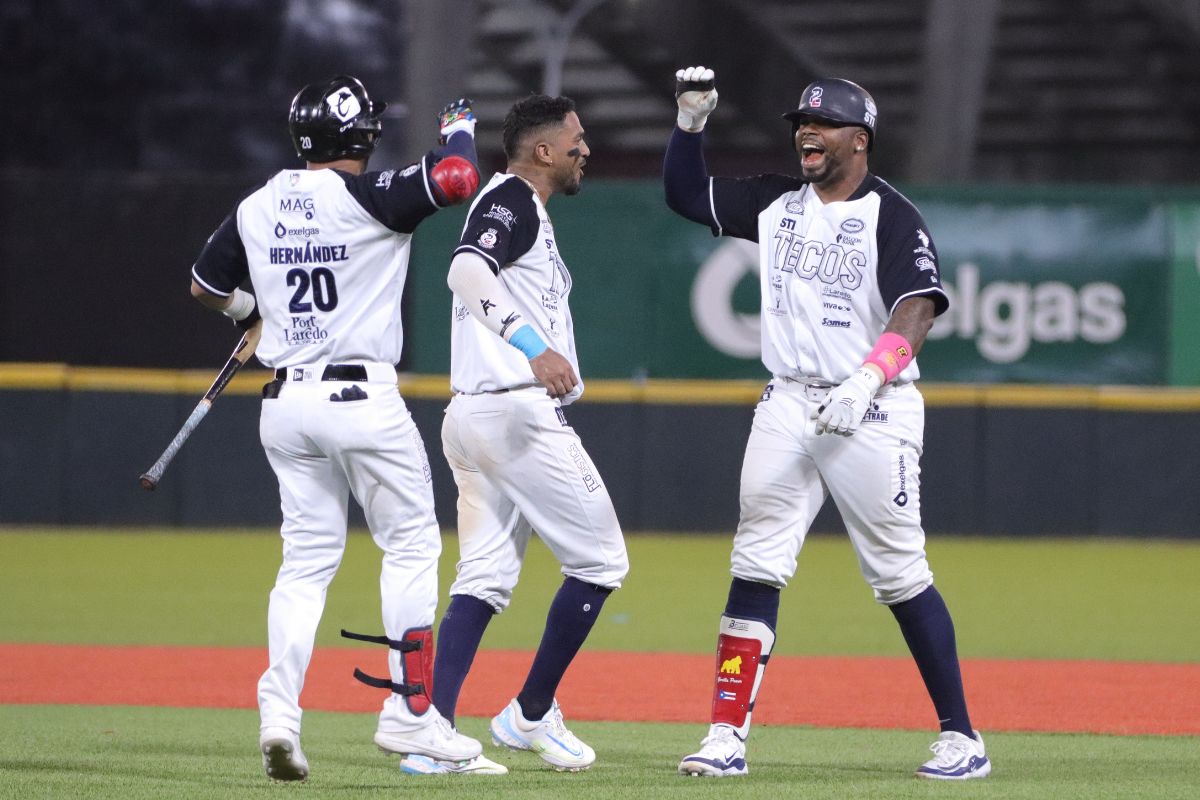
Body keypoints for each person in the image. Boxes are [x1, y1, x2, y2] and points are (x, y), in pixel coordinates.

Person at [663, 66, 991, 781]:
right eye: (800, 124)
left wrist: (869, 376)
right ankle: (725, 735)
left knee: (899, 574)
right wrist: (690, 124)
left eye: (823, 124)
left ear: (860, 139)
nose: (806, 133)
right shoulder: (777, 202)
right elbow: (686, 194)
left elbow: (918, 308)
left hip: (873, 406)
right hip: (788, 403)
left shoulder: (892, 215)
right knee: (754, 563)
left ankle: (961, 736)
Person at [188, 75, 486, 782]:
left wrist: (247, 312)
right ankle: (411, 716)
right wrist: (461, 125)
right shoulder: (371, 197)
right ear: (363, 134)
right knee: (411, 544)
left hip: (285, 404)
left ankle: (280, 714)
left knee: (304, 564)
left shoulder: (258, 205)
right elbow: (458, 175)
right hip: (361, 399)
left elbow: (203, 285)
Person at [411, 94, 629, 776]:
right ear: (543, 151)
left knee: (483, 577)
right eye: (575, 138)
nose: (584, 149)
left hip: (472, 417)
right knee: (600, 563)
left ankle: (434, 734)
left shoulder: (510, 204)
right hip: (514, 415)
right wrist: (534, 346)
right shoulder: (510, 201)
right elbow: (465, 271)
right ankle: (529, 713)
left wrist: (457, 134)